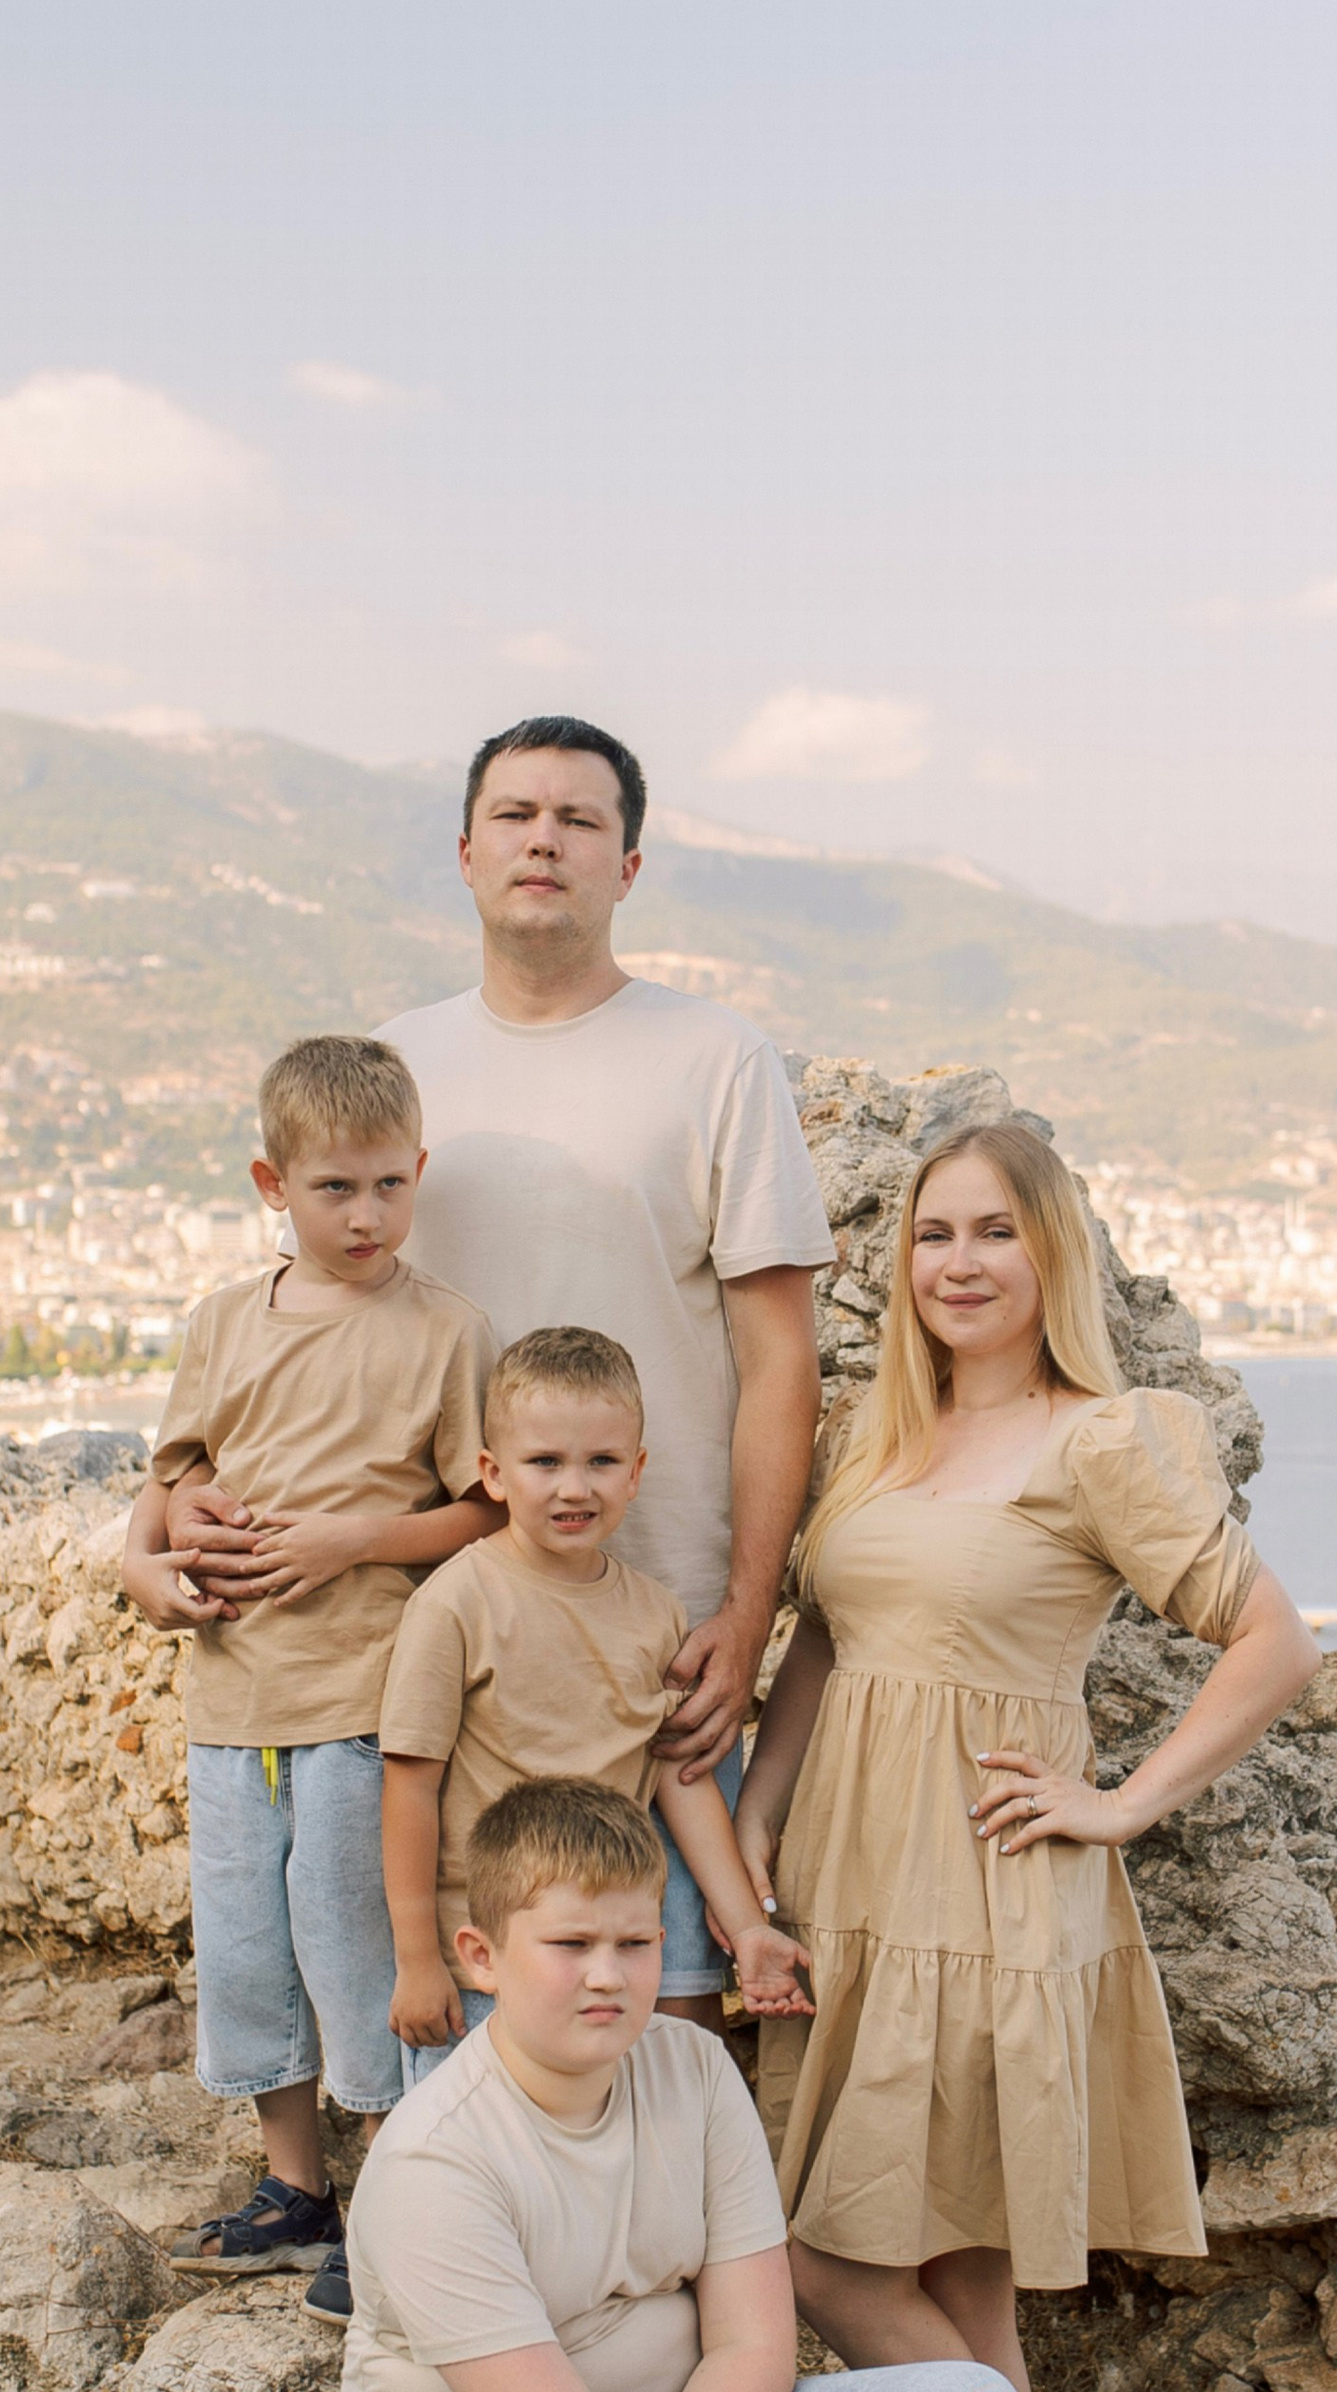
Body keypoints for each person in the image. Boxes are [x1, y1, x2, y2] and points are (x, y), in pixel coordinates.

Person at [175, 715, 832, 2035]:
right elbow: (313, 1333)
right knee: (453, 2020)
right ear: (466, 853)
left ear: (627, 866)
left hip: (654, 1628)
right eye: (517, 816)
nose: (545, 840)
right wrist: (183, 1503)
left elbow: (782, 1363)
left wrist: (746, 1607)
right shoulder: (395, 1066)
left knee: (666, 2022)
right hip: (435, 1621)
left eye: (580, 819)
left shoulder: (717, 1059)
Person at [734, 1118, 1324, 2392]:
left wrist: (1122, 1805)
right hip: (850, 1885)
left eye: (995, 1231)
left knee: (820, 2263)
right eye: (933, 1234)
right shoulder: (877, 1433)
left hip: (982, 1896)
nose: (959, 1262)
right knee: (960, 2289)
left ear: (1050, 1251)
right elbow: (826, 1638)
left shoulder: (1102, 1441)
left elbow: (1275, 1643)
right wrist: (757, 1810)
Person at [332, 1776, 1099, 2392]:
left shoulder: (694, 2069)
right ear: (481, 1957)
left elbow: (751, 2346)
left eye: (634, 1944)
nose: (607, 1975)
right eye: (571, 1945)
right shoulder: (437, 2159)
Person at [121, 1035, 499, 2287]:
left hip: (361, 1695)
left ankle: (396, 2198)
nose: (366, 1214)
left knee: (354, 1945)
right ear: (272, 1184)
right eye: (335, 1188)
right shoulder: (223, 1322)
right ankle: (295, 2187)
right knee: (247, 1957)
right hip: (231, 1698)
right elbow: (174, 1473)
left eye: (390, 1184)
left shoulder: (445, 1332)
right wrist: (152, 1553)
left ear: (419, 1171)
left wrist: (354, 1538)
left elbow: (481, 1512)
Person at [374, 1327, 813, 2109]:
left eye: (601, 1462)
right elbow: (409, 1784)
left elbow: (679, 1779)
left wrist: (749, 1929)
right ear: (493, 1473)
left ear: (636, 1473)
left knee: (591, 2146)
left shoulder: (654, 1613)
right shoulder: (456, 1603)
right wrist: (416, 1960)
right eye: (545, 1462)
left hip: (607, 1953)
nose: (574, 1488)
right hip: (488, 1958)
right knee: (478, 2150)